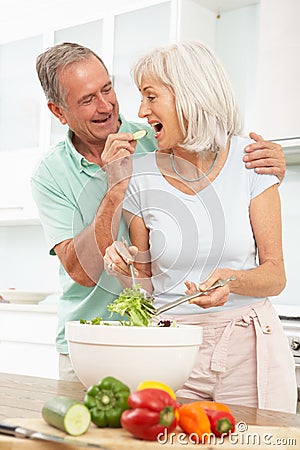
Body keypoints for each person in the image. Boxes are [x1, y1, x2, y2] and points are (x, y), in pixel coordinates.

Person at [32, 42, 286, 383]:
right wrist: (115, 187)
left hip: (162, 335)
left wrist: (269, 172)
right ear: (59, 112)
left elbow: (220, 158)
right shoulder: (50, 174)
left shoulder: (162, 136)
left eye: (107, 88)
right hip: (95, 338)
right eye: (87, 99)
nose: (107, 105)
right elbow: (80, 270)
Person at [104, 41, 297, 413]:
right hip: (172, 350)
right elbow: (144, 288)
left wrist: (232, 281)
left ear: (189, 96)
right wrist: (122, 269)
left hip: (248, 346)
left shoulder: (252, 161)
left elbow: (276, 276)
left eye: (151, 97)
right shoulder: (140, 176)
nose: (142, 112)